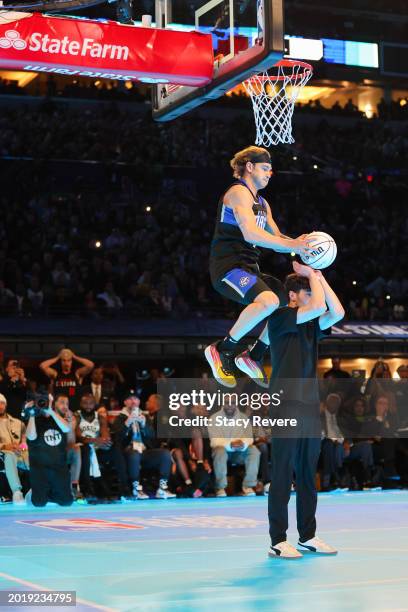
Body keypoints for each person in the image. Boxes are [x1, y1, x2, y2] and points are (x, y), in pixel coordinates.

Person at [205, 146, 311, 388]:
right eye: (265, 168)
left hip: (248, 267)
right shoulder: (237, 193)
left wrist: (302, 248)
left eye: (271, 170)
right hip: (227, 268)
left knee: (286, 303)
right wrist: (292, 244)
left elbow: (277, 237)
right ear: (249, 167)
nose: (269, 173)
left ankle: (253, 355)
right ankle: (222, 349)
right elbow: (251, 233)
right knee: (269, 301)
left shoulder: (262, 203)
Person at [267, 261, 345, 559]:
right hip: (286, 402)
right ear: (293, 296)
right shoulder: (280, 317)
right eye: (307, 292)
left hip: (310, 406)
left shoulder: (311, 323)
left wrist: (319, 277)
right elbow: (316, 306)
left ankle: (307, 536)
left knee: (306, 471)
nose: (313, 297)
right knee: (284, 470)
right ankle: (277, 539)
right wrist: (310, 275)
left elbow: (337, 312)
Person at [25, 393, 73, 507]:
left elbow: (66, 428)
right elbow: (31, 437)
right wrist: (31, 413)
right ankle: (33, 493)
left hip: (58, 468)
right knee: (39, 503)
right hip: (40, 469)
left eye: (48, 401)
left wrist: (51, 411)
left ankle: (51, 493)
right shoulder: (35, 419)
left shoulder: (59, 419)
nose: (44, 404)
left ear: (54, 404)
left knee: (67, 502)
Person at [208, 401, 260, 497]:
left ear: (236, 404)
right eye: (227, 403)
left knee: (254, 450)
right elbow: (214, 441)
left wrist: (242, 444)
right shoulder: (214, 418)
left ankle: (248, 485)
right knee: (219, 450)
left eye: (233, 403)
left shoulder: (243, 418)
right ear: (223, 403)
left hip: (239, 452)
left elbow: (250, 438)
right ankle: (220, 487)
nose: (230, 406)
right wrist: (230, 444)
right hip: (222, 451)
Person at [0, 393, 29, 504]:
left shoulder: (18, 423)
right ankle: (17, 492)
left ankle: (40, 489)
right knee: (10, 455)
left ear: (6, 405)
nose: (0, 406)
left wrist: (22, 446)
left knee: (34, 455)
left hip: (20, 453)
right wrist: (5, 446)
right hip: (4, 454)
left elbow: (24, 440)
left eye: (2, 403)